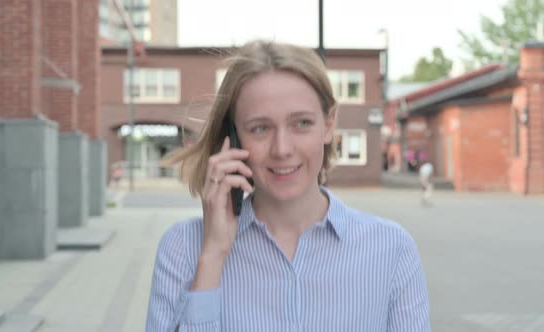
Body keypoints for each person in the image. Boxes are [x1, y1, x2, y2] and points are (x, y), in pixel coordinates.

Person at [145, 40, 430, 332]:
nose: (282, 149)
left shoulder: (392, 250)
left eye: (302, 123)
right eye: (260, 128)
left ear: (328, 124)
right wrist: (213, 255)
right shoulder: (183, 248)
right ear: (233, 137)